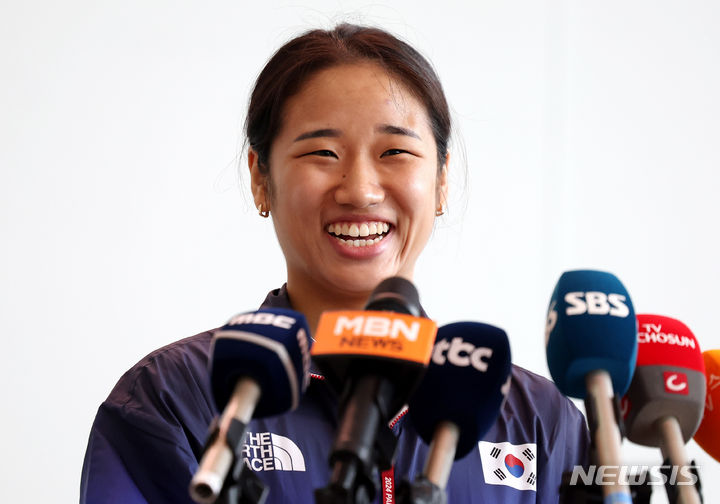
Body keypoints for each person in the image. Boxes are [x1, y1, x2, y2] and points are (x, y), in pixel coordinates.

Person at [80, 23, 589, 503]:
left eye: (395, 151)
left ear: (440, 181)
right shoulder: (177, 397)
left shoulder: (539, 421)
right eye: (322, 152)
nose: (361, 190)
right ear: (261, 177)